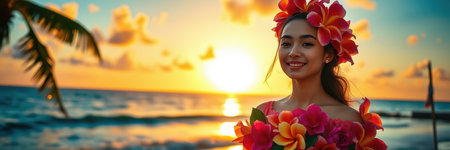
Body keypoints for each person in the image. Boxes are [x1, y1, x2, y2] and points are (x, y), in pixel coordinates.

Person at [256, 0, 362, 123]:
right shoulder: (262, 113)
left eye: (307, 44)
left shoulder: (348, 118)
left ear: (328, 55)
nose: (293, 52)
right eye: (286, 43)